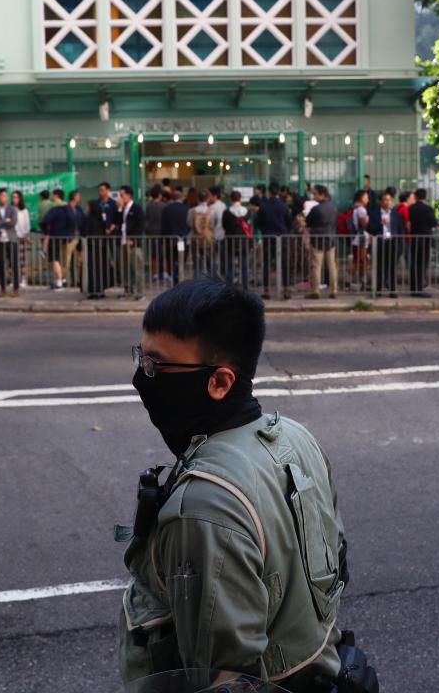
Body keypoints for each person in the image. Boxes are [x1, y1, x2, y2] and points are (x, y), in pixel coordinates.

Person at [119, 277, 372, 692]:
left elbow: (220, 679)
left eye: (156, 366)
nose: (140, 378)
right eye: (141, 359)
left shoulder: (202, 505)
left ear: (219, 382)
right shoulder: (295, 438)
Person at [256, 182, 291, 299]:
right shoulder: (284, 206)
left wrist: (265, 230)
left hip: (268, 237)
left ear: (269, 192)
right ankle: (286, 288)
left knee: (266, 264)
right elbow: (288, 222)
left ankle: (267, 290)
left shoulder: (263, 206)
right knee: (284, 264)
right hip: (282, 238)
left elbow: (258, 223)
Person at [367, 189, 404, 296]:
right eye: (385, 200)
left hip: (392, 243)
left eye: (389, 200)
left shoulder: (396, 214)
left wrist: (400, 245)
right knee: (379, 267)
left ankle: (392, 290)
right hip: (380, 242)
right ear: (381, 201)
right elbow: (370, 229)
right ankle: (378, 290)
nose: (387, 202)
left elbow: (400, 230)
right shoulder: (374, 214)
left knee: (392, 267)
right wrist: (380, 224)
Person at [305, 184, 338, 299]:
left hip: (317, 239)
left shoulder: (316, 209)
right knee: (332, 265)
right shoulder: (334, 207)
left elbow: (308, 222)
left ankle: (315, 290)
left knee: (316, 266)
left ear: (322, 195)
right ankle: (334, 290)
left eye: (314, 194)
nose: (313, 196)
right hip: (331, 239)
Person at [86, 182, 118, 299]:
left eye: (103, 190)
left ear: (107, 190)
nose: (101, 192)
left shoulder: (112, 204)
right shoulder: (96, 204)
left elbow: (116, 219)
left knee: (108, 261)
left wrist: (111, 228)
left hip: (109, 235)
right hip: (98, 237)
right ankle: (97, 287)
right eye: (99, 190)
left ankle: (107, 283)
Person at [407, 188, 438, 296]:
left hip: (414, 238)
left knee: (414, 263)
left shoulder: (411, 208)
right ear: (425, 197)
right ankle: (419, 289)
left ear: (415, 197)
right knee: (422, 264)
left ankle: (413, 288)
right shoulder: (428, 209)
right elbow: (433, 223)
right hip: (425, 239)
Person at [40, 188, 72, 290]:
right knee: (61, 258)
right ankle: (61, 280)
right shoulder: (68, 208)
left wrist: (46, 230)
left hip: (54, 236)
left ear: (56, 196)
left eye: (53, 196)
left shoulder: (54, 209)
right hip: (66, 236)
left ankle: (59, 282)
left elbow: (45, 221)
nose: (51, 198)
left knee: (54, 258)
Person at [0, 187, 19, 297]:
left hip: (11, 240)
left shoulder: (12, 209)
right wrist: (4, 221)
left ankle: (16, 288)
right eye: (2, 196)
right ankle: (3, 288)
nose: (5, 198)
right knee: (2, 265)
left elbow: (13, 223)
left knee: (14, 265)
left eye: (6, 196)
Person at [220, 190, 250, 290]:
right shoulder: (247, 212)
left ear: (231, 199)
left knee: (230, 265)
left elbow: (224, 226)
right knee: (244, 265)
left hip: (230, 241)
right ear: (240, 199)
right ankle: (246, 287)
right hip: (243, 242)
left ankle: (230, 287)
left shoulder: (227, 212)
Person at [160, 187, 190, 287]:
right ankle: (180, 278)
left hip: (170, 239)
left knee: (171, 260)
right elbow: (189, 224)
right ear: (181, 198)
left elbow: (163, 226)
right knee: (181, 260)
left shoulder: (167, 209)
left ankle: (174, 279)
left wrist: (161, 240)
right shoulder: (186, 209)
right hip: (183, 239)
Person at [144, 185, 167, 283]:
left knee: (153, 255)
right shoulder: (163, 206)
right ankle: (164, 273)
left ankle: (155, 274)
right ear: (159, 195)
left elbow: (146, 221)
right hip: (162, 234)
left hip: (151, 234)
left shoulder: (148, 206)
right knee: (164, 255)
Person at [349, 190, 370, 290]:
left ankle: (353, 280)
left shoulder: (355, 208)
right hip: (360, 238)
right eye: (366, 197)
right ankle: (359, 280)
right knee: (360, 260)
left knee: (358, 259)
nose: (368, 199)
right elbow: (364, 224)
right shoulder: (361, 209)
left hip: (356, 237)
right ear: (362, 198)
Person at [12, 190, 33, 288]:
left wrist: (26, 236)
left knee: (22, 260)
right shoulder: (10, 209)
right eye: (13, 197)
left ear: (20, 199)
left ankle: (24, 279)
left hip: (21, 237)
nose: (14, 199)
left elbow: (27, 225)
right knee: (12, 260)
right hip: (11, 237)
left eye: (16, 197)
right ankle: (14, 279)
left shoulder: (24, 211)